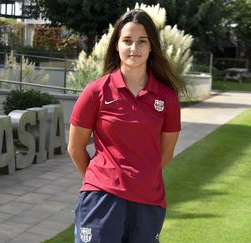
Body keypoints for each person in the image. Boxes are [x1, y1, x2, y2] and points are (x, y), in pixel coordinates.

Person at [68, 9, 187, 243]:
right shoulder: (96, 91)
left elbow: (165, 154)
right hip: (101, 198)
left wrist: (140, 178)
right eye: (127, 41)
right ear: (116, 45)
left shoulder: (167, 97)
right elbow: (75, 147)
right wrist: (101, 180)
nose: (134, 48)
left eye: (142, 41)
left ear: (152, 46)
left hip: (148, 200)